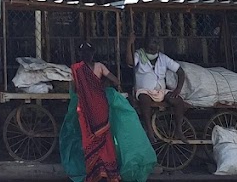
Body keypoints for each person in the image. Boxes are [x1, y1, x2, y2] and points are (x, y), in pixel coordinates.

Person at [71, 43, 122, 182]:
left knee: (89, 139)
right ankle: (110, 173)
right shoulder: (100, 67)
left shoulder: (76, 69)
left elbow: (75, 89)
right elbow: (116, 81)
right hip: (101, 107)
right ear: (93, 54)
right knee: (105, 139)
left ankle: (95, 173)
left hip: (86, 109)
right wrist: (101, 84)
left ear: (79, 54)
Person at [125, 34, 185, 130]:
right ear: (146, 44)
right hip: (144, 91)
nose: (156, 45)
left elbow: (180, 71)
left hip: (161, 91)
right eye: (153, 42)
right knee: (145, 100)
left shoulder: (163, 58)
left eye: (157, 42)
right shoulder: (139, 55)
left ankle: (179, 129)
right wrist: (129, 43)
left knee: (178, 101)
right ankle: (149, 129)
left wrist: (178, 89)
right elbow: (130, 62)